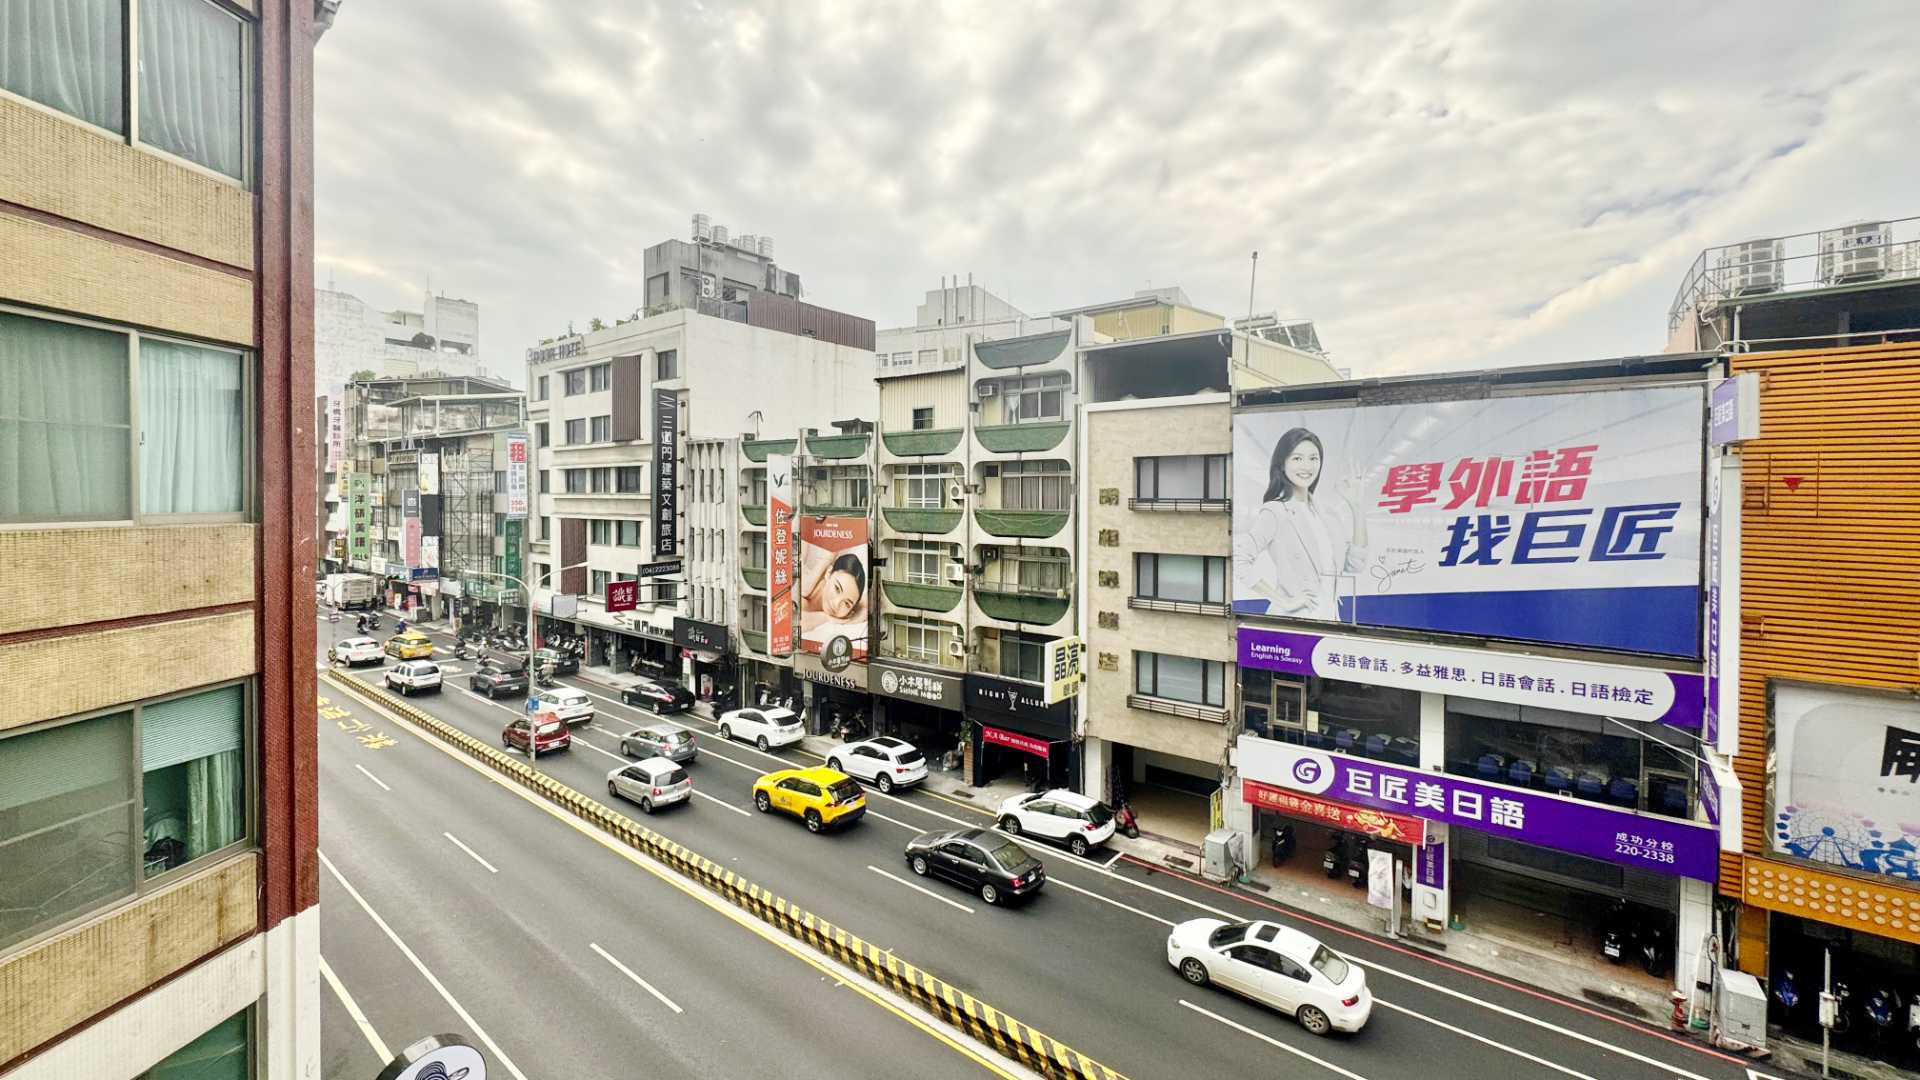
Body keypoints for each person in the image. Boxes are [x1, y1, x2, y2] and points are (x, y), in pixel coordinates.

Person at [1233, 426, 1367, 620]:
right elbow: (1238, 559)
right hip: (1292, 620)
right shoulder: (1276, 511)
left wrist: (1357, 507)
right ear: (1282, 464)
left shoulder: (1328, 514)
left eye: (1314, 458)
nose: (1307, 466)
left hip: (1330, 618)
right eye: (1297, 458)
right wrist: (1283, 601)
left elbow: (1355, 564)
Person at [799, 547, 868, 634]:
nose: (836, 603)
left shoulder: (850, 605)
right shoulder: (802, 595)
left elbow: (867, 604)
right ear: (828, 573)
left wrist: (828, 618)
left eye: (847, 603)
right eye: (837, 588)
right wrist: (827, 618)